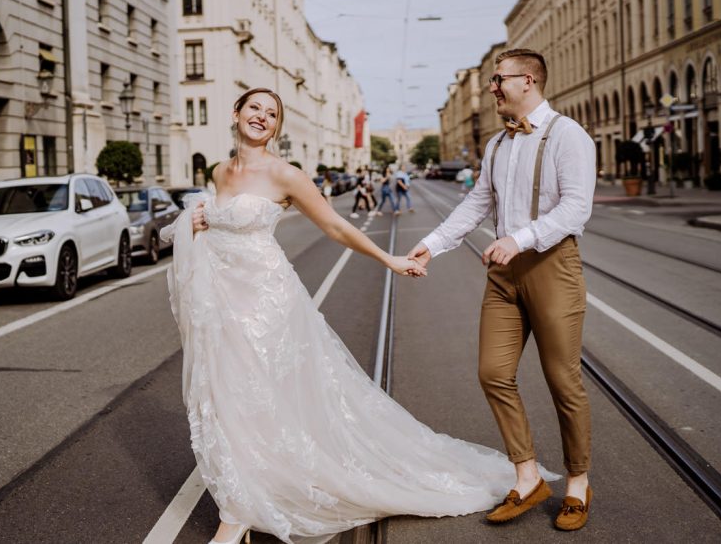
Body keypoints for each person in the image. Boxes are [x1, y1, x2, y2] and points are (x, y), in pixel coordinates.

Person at [161, 88, 553, 544]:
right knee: (231, 399)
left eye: (271, 114)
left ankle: (237, 516)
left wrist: (389, 259)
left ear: (277, 127)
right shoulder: (219, 172)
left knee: (261, 399)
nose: (262, 118)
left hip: (267, 303)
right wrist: (197, 223)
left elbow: (335, 225)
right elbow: (212, 222)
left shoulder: (286, 174)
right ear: (236, 113)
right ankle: (241, 503)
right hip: (226, 302)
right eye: (255, 109)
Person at [408, 49, 597, 531]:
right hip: (504, 275)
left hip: (552, 267)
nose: (492, 87)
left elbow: (576, 208)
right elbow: (476, 204)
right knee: (493, 372)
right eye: (492, 79)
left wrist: (522, 238)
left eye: (499, 79)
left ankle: (577, 484)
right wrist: (431, 245)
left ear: (528, 80)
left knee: (563, 382)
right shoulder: (497, 145)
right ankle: (528, 476)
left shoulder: (567, 135)